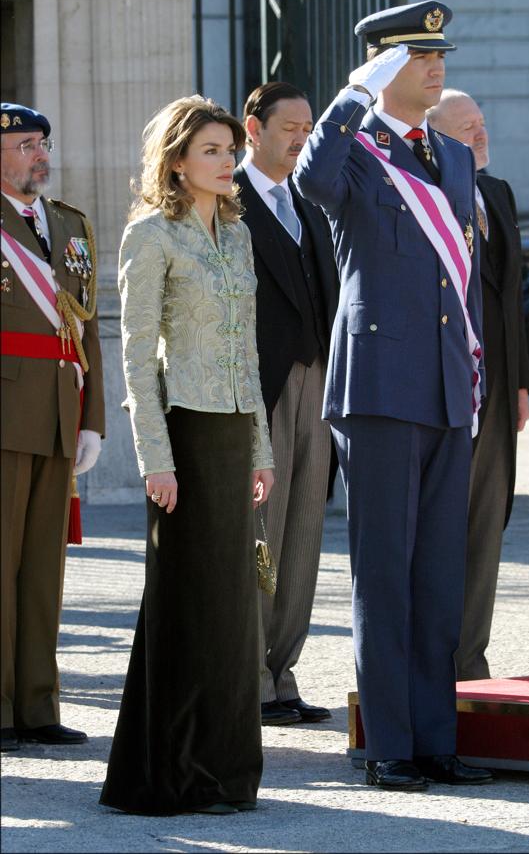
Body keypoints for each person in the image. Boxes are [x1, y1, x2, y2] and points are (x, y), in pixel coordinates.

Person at [295, 1, 494, 790]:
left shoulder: (450, 153)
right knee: (383, 572)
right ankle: (387, 745)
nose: (437, 66)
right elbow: (312, 181)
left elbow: (464, 281)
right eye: (419, 56)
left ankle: (435, 741)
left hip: (448, 386)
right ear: (383, 66)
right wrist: (352, 96)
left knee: (439, 573)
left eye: (440, 53)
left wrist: (474, 369)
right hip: (379, 387)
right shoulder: (353, 150)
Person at [99, 95, 274, 816]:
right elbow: (138, 360)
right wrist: (155, 460)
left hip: (235, 435)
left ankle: (227, 772)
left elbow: (250, 352)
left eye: (230, 150)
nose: (227, 161)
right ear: (176, 161)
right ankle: (166, 773)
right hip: (184, 435)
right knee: (185, 604)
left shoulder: (237, 236)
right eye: (211, 150)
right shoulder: (151, 235)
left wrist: (262, 447)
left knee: (234, 608)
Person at [1, 102, 105, 753]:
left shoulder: (68, 225)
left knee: (43, 570)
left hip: (60, 414)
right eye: (26, 145)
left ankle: (38, 704)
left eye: (43, 143)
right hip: (5, 413)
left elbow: (85, 326)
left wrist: (91, 418)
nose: (41, 155)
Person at [234, 82, 338, 726]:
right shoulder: (228, 201)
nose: (301, 138)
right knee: (260, 537)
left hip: (317, 385)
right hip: (261, 390)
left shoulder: (311, 201)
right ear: (255, 128)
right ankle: (249, 673)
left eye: (308, 127)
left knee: (304, 530)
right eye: (290, 127)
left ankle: (284, 668)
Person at [427, 89, 529, 680]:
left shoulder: (498, 193)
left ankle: (471, 659)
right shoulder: (425, 197)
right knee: (444, 524)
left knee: (487, 522)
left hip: (497, 391)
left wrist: (520, 384)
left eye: (483, 124)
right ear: (438, 137)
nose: (481, 135)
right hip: (445, 386)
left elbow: (510, 297)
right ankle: (437, 659)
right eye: (467, 128)